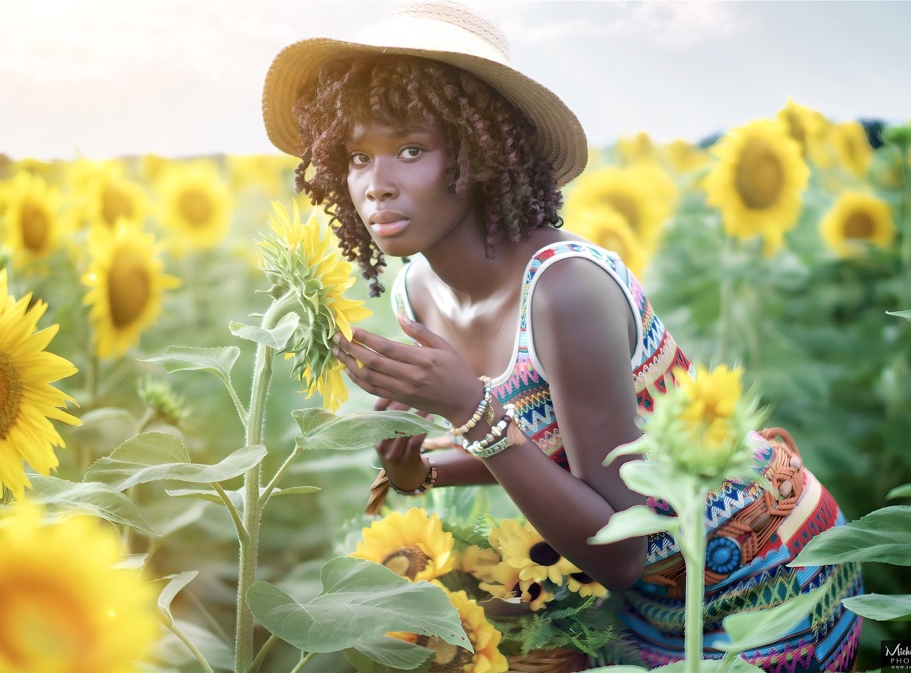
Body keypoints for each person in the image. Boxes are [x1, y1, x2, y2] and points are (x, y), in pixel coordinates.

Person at [261, 2, 863, 670]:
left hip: (771, 574)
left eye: (410, 150)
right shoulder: (417, 295)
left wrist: (469, 411)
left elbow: (620, 547)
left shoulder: (564, 290)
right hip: (661, 603)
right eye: (356, 157)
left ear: (479, 152)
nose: (377, 185)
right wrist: (423, 469)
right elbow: (550, 448)